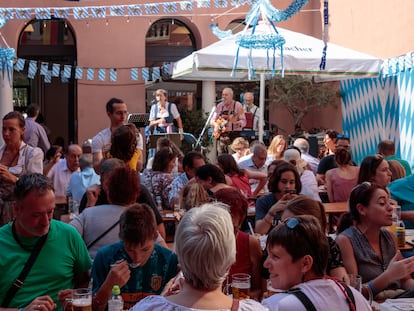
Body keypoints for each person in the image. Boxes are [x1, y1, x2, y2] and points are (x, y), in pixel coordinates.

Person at [133, 203, 267, 311]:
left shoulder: (149, 307)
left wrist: (164, 299)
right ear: (230, 259)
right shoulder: (253, 309)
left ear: (179, 259)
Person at [0, 173, 91, 310]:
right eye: (36, 215)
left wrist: (77, 296)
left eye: (50, 212)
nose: (45, 222)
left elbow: (86, 282)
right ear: (17, 209)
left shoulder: (69, 235)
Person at [262, 215, 371, 311]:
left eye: (275, 256)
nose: (266, 264)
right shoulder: (356, 298)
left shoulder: (276, 305)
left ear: (305, 263)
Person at [92, 203, 178, 310]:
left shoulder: (169, 260)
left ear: (155, 237)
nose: (137, 258)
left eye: (145, 249)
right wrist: (108, 286)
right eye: (130, 250)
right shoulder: (105, 257)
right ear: (121, 238)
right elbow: (94, 307)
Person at [336, 182, 414, 300]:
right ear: (361, 209)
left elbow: (405, 280)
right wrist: (388, 276)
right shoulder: (346, 241)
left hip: (397, 302)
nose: (390, 208)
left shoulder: (389, 237)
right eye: (382, 203)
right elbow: (354, 292)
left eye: (389, 202)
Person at [70, 166, 166, 259]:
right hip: (130, 271)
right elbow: (164, 249)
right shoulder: (141, 218)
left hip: (94, 270)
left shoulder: (88, 214)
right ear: (136, 194)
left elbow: (67, 235)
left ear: (108, 192)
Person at [77, 158, 166, 240]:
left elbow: (159, 231)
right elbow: (78, 236)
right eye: (109, 183)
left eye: (119, 182)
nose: (114, 187)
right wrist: (90, 205)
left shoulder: (138, 191)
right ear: (101, 179)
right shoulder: (92, 195)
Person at [281, 196, 348, 282]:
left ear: (311, 226)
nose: (283, 230)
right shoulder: (279, 246)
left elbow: (342, 281)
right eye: (282, 223)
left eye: (290, 224)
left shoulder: (327, 245)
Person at [214, 188, 263, 300]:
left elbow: (257, 289)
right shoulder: (204, 241)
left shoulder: (250, 243)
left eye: (232, 227)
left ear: (241, 219)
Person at [0, 111, 43, 226]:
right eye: (4, 129)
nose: (6, 134)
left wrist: (13, 179)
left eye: (11, 129)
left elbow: (37, 186)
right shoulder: (0, 152)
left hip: (20, 212)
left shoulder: (32, 153)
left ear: (22, 130)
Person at [92, 97, 144, 173]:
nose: (123, 116)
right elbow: (97, 169)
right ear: (109, 114)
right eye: (119, 113)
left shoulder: (136, 135)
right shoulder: (99, 138)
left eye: (125, 112)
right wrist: (106, 157)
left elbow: (139, 166)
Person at [255, 162, 301, 235]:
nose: (288, 186)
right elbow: (259, 231)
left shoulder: (301, 201)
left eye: (291, 182)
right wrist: (272, 211)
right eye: (284, 182)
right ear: (276, 181)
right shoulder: (263, 201)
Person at [47, 144, 82, 219]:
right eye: (73, 156)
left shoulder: (85, 167)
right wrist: (52, 163)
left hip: (78, 209)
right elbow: (44, 177)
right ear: (66, 156)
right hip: (57, 208)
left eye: (79, 156)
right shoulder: (57, 164)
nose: (76, 160)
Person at [210, 88, 246, 154]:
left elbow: (244, 122)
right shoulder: (219, 106)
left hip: (234, 136)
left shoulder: (238, 105)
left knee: (232, 158)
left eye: (226, 95)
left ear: (231, 96)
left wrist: (237, 123)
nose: (224, 97)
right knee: (221, 158)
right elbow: (212, 121)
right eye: (223, 95)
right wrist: (216, 125)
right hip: (222, 137)